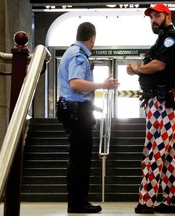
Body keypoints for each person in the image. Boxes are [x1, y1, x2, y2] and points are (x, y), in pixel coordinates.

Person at [126, 4, 175, 214]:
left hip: (165, 103)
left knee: (154, 151)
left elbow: (158, 65)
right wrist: (138, 68)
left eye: (157, 16)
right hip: (156, 101)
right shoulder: (161, 40)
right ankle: (174, 202)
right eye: (151, 17)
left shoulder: (172, 38)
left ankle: (147, 201)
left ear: (167, 16)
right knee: (169, 154)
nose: (153, 20)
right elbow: (151, 64)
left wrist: (137, 68)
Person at [56, 22, 119, 213]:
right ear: (93, 38)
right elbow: (75, 84)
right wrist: (102, 85)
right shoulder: (78, 55)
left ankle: (78, 201)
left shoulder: (71, 51)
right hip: (76, 111)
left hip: (74, 110)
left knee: (78, 157)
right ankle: (77, 203)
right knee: (80, 159)